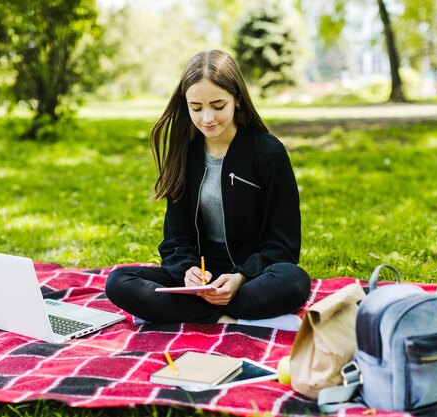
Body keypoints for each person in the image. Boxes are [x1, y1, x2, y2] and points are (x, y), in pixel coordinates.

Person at [105, 49, 310, 330]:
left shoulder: (268, 152)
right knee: (119, 283)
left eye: (218, 105)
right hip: (200, 277)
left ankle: (186, 313)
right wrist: (187, 271)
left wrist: (240, 277)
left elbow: (283, 244)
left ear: (237, 99)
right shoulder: (184, 153)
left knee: (295, 282)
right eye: (196, 108)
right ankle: (227, 319)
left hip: (252, 276)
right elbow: (176, 238)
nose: (207, 118)